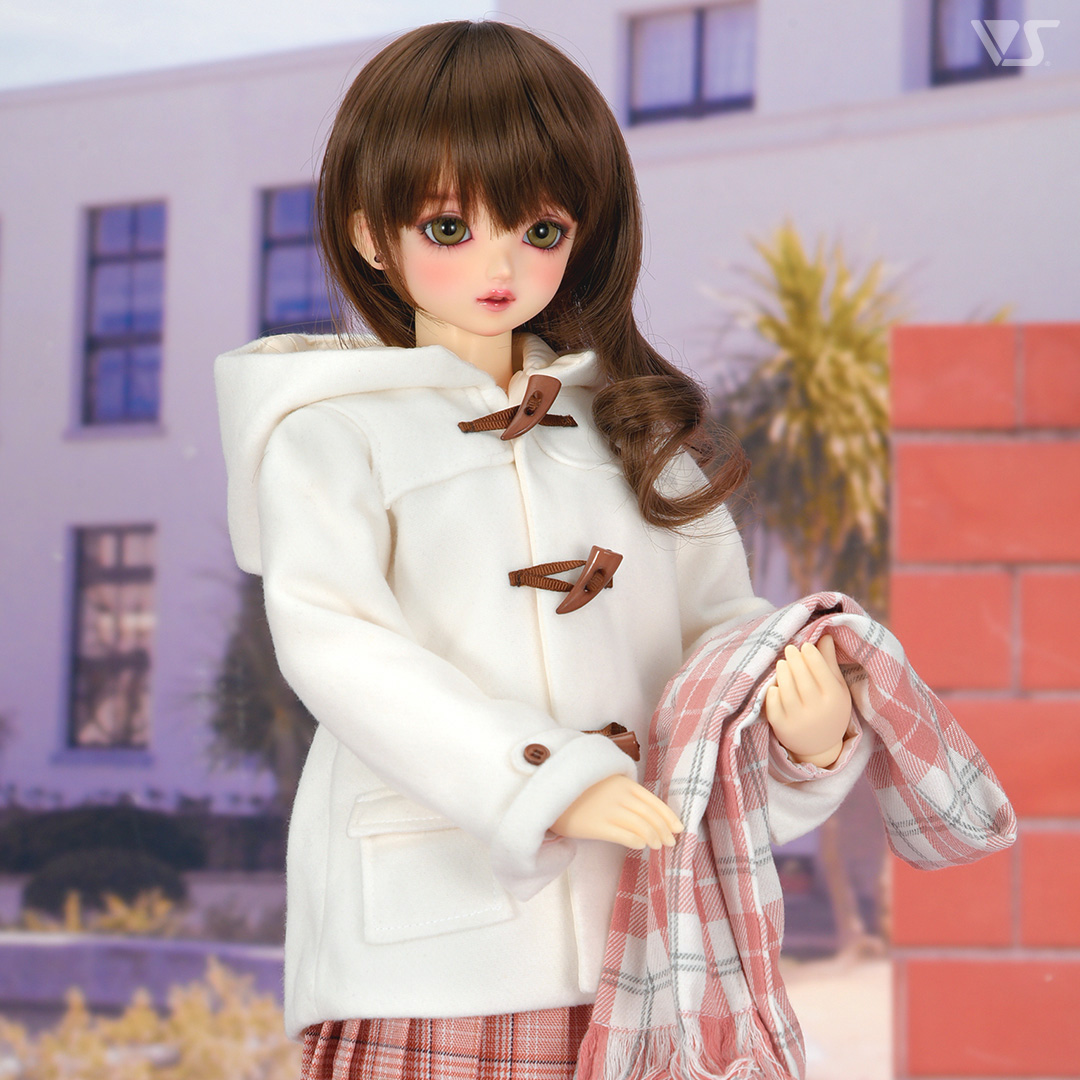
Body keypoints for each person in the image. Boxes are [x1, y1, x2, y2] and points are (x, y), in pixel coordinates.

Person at [214, 20, 867, 1080]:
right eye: (447, 226)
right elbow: (340, 649)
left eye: (541, 228)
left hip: (648, 938)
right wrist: (547, 780)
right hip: (436, 942)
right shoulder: (333, 437)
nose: (501, 264)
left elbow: (720, 638)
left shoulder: (637, 431)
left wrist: (805, 737)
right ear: (371, 235)